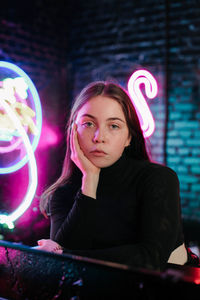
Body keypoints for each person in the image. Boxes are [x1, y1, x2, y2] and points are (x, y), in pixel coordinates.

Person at [37, 81, 198, 271]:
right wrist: (89, 181)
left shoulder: (157, 178)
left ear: (129, 137)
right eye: (88, 124)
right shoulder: (63, 193)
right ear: (73, 131)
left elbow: (152, 257)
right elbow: (61, 268)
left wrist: (67, 254)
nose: (99, 137)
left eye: (113, 126)